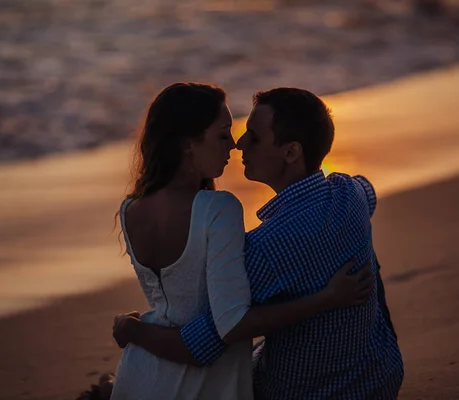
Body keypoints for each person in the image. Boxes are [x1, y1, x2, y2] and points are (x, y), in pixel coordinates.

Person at [114, 87, 403, 399]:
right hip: (380, 377)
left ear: (291, 152)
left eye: (253, 136)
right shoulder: (350, 193)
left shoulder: (265, 251)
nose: (239, 143)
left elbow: (202, 344)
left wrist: (133, 330)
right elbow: (367, 192)